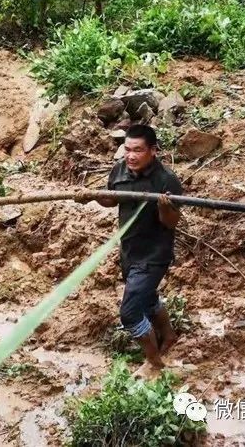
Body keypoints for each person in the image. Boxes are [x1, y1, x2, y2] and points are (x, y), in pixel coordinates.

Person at [77, 124, 182, 370]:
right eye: (128, 150)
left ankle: (154, 363)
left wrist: (165, 206)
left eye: (138, 150)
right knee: (146, 299)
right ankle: (168, 336)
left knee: (130, 312)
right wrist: (92, 195)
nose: (131, 156)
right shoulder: (120, 170)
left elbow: (171, 223)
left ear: (153, 151)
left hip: (154, 254)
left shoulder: (166, 180)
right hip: (129, 251)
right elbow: (112, 199)